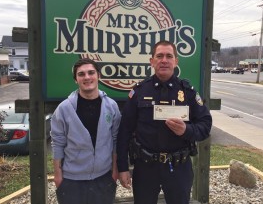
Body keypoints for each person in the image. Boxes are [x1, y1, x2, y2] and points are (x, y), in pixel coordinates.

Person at [116, 40, 212, 204]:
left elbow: (205, 124)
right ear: (151, 61)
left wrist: (186, 131)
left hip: (179, 167)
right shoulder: (139, 92)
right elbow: (124, 131)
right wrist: (123, 168)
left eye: (169, 56)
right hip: (146, 167)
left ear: (176, 61)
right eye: (159, 56)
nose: (164, 60)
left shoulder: (187, 92)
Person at [51, 58, 121, 204]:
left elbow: (116, 140)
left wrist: (115, 171)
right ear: (76, 80)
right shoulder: (64, 109)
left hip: (104, 178)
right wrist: (58, 176)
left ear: (98, 76)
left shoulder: (111, 106)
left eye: (91, 73)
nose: (87, 77)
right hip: (71, 181)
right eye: (81, 74)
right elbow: (57, 143)